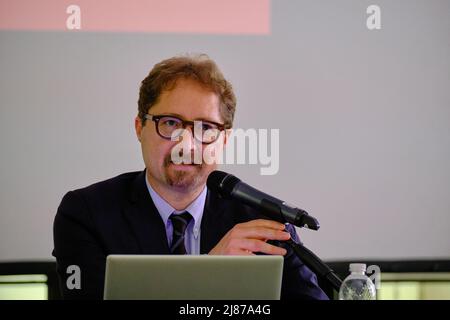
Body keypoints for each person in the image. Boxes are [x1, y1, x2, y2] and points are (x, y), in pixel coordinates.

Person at [52, 54, 329, 300]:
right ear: (139, 128)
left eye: (205, 127)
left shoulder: (264, 222)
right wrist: (211, 269)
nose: (187, 144)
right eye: (170, 123)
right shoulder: (86, 214)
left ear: (225, 139)